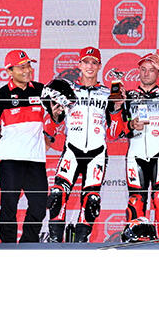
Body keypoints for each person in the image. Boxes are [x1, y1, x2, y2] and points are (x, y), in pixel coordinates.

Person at [44, 47, 122, 243]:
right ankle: (54, 241)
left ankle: (81, 243)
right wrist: (54, 114)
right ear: (79, 65)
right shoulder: (68, 90)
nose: (90, 66)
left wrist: (117, 108)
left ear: (99, 66)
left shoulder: (107, 93)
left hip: (97, 153)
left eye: (94, 62)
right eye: (86, 62)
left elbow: (114, 133)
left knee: (91, 200)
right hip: (72, 149)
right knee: (57, 194)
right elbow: (54, 123)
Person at [0, 50, 54, 243]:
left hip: (35, 159)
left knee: (39, 205)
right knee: (9, 206)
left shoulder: (41, 90)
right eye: (22, 67)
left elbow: (56, 117)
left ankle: (27, 245)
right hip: (10, 159)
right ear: (9, 71)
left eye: (29, 65)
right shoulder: (2, 94)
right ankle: (8, 247)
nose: (27, 70)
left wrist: (55, 120)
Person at [113, 53, 159, 239]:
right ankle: (137, 240)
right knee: (136, 201)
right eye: (143, 69)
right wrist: (130, 125)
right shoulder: (128, 96)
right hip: (135, 156)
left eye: (151, 70)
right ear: (138, 71)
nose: (146, 73)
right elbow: (117, 132)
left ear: (157, 73)